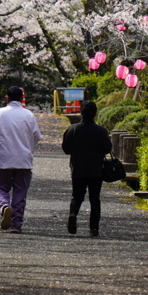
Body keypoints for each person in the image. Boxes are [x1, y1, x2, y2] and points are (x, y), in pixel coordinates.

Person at [0, 85, 41, 233]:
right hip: (24, 160)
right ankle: (16, 223)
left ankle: (4, 207)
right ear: (22, 98)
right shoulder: (29, 115)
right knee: (20, 191)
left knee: (0, 187)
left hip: (4, 158)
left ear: (6, 98)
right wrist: (28, 146)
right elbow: (37, 136)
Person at [61, 100, 111, 236]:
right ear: (95, 114)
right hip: (96, 169)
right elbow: (108, 148)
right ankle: (94, 228)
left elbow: (66, 149)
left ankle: (73, 214)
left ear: (80, 113)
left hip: (78, 169)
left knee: (77, 196)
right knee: (95, 199)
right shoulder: (101, 131)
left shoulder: (72, 129)